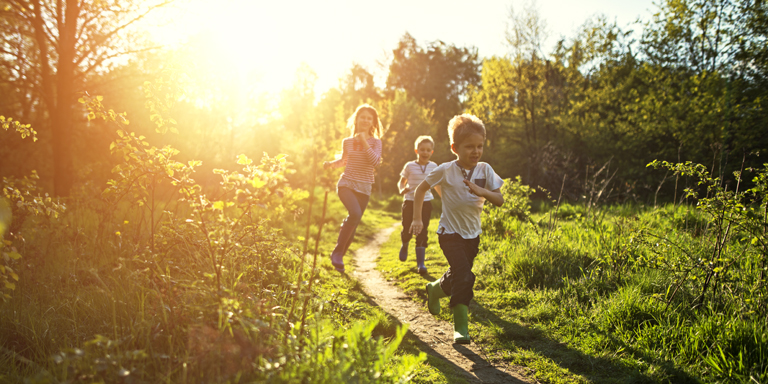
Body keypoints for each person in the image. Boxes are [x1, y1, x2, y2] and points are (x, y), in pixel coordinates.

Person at [409, 114, 504, 344]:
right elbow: (421, 190)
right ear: (455, 147)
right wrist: (417, 219)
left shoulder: (485, 170)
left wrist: (483, 192)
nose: (476, 151)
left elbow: (499, 199)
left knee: (459, 275)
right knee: (464, 275)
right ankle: (461, 328)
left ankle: (435, 289)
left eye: (479, 146)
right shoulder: (445, 169)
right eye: (469, 146)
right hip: (449, 233)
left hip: (473, 235)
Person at [323, 104, 383, 273]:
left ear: (373, 123)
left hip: (364, 188)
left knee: (354, 223)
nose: (365, 120)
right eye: (362, 117)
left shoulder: (376, 142)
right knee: (355, 214)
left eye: (369, 118)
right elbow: (344, 161)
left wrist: (364, 142)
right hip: (346, 184)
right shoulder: (347, 142)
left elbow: (375, 162)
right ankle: (337, 253)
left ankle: (339, 258)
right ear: (356, 119)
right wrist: (330, 165)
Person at [397, 136, 440, 274]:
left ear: (432, 152)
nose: (425, 152)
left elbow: (438, 184)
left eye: (428, 150)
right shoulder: (409, 166)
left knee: (422, 230)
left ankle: (420, 264)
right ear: (416, 150)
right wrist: (401, 189)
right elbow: (401, 182)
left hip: (426, 202)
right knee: (407, 228)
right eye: (422, 149)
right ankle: (405, 243)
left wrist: (445, 198)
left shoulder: (434, 167)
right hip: (409, 201)